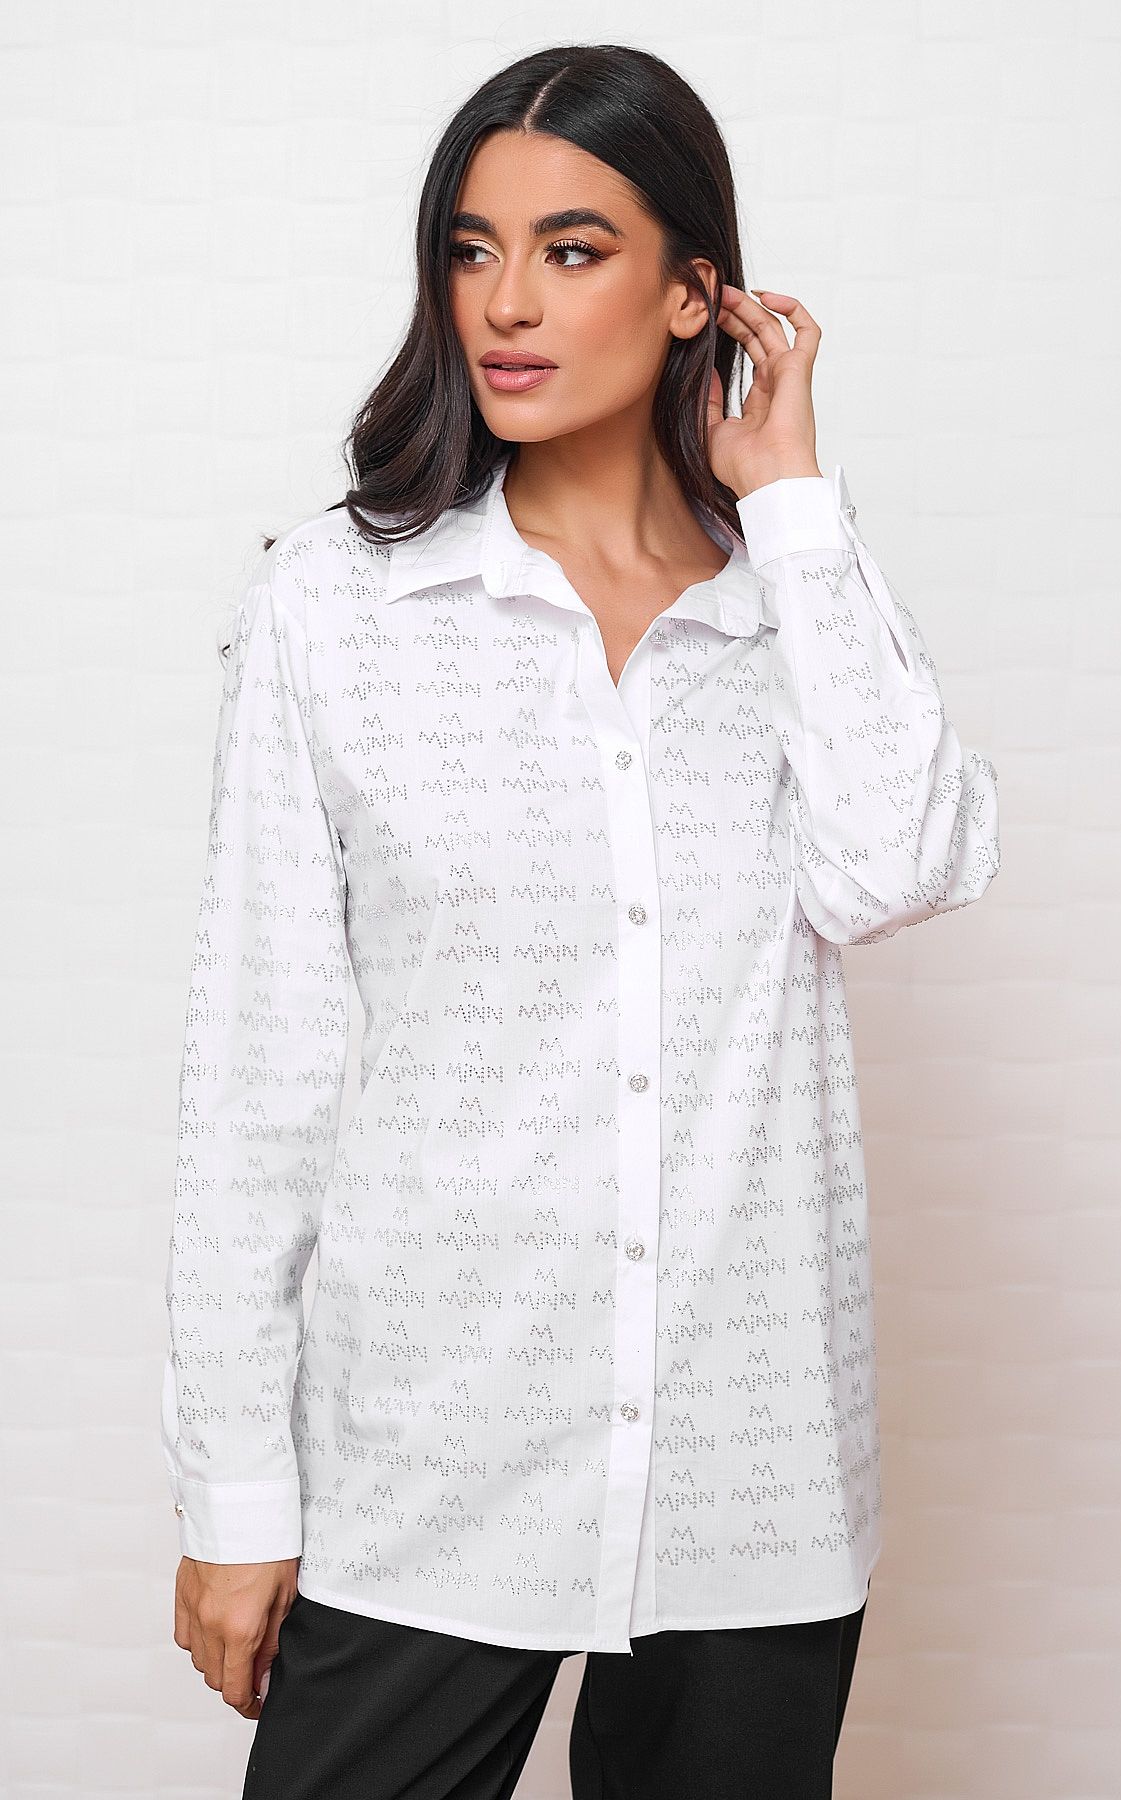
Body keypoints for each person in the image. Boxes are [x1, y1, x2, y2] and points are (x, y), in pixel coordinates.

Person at [160, 41, 1000, 1800]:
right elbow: (257, 1076)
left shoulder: (791, 604)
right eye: (472, 250)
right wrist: (239, 1493)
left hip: (745, 1470)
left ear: (697, 292)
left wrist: (789, 501)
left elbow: (898, 865)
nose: (506, 304)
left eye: (572, 249)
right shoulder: (336, 608)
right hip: (433, 1453)